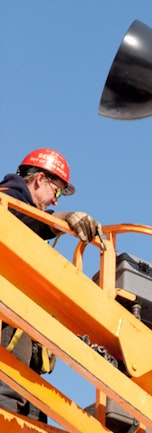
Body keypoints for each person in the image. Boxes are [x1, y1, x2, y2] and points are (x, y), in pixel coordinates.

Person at [0, 148, 103, 419]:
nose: (55, 202)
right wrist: (59, 220)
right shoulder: (7, 200)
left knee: (32, 421)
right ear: (39, 180)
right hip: (5, 353)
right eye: (56, 192)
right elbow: (18, 219)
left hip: (18, 354)